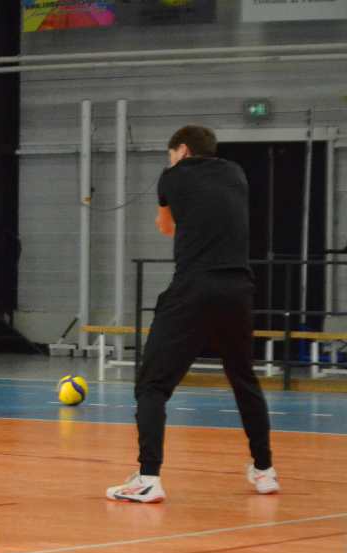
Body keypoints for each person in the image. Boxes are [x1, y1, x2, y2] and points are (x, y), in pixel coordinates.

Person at [106, 125, 279, 503]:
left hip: (194, 289)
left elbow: (166, 227)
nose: (169, 161)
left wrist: (173, 209)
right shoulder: (236, 173)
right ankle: (265, 470)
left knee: (152, 386)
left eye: (171, 155)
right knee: (243, 378)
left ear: (182, 150)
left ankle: (148, 478)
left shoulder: (171, 176)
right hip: (238, 289)